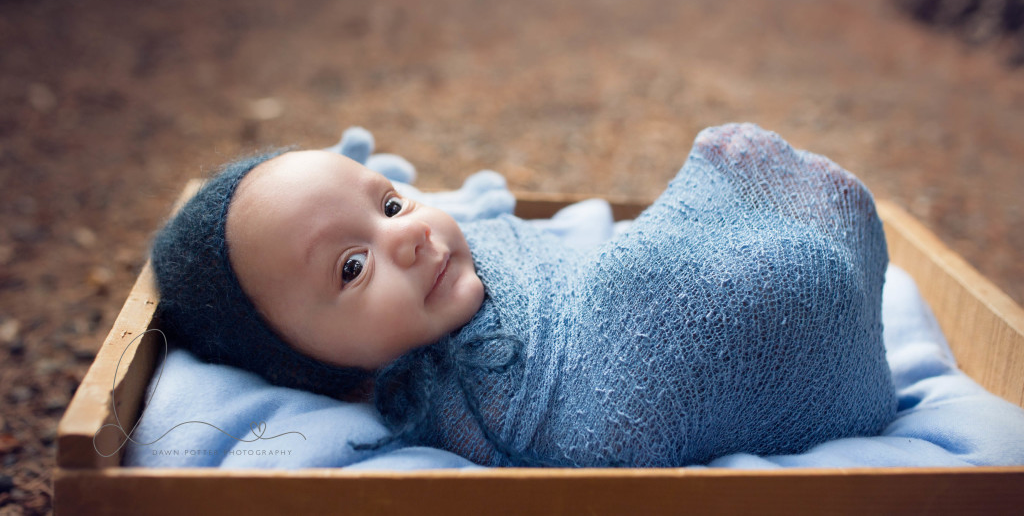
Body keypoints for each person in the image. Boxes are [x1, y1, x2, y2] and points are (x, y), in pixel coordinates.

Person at [152, 123, 897, 467]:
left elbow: (561, 264)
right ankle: (800, 285)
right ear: (306, 366)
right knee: (661, 293)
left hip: (609, 303)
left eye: (389, 203)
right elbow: (595, 429)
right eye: (351, 267)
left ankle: (796, 269)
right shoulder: (432, 402)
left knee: (679, 257)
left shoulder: (453, 255)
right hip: (614, 380)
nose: (406, 236)